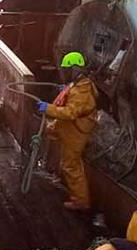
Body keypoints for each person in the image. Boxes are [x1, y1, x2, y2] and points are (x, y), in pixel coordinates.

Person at [38, 51, 99, 212]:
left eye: (67, 69)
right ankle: (61, 177)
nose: (64, 72)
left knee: (71, 164)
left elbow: (70, 113)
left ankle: (81, 201)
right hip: (69, 127)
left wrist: (48, 108)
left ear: (74, 69)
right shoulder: (78, 84)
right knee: (51, 134)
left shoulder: (81, 91)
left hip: (76, 130)